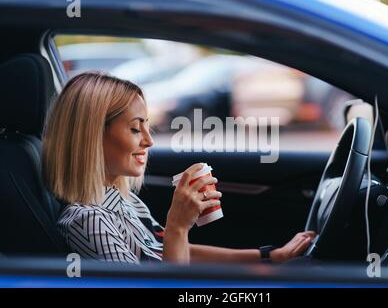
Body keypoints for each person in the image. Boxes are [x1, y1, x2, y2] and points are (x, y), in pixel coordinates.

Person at [43, 72, 315, 264]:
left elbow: (175, 252)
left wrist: (269, 256)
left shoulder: (124, 202)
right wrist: (177, 226)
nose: (148, 140)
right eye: (135, 128)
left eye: (147, 126)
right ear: (92, 136)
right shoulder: (88, 221)